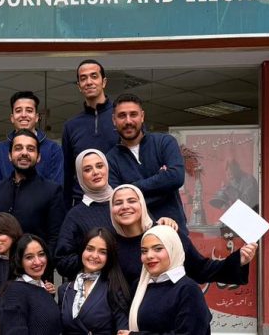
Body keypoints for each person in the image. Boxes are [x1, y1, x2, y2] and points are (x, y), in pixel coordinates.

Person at [55, 150, 177, 279]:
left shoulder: (127, 202)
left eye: (99, 166)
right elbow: (62, 262)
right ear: (80, 176)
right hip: (105, 286)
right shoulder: (75, 215)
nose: (95, 172)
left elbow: (150, 232)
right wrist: (94, 257)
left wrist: (163, 225)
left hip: (142, 279)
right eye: (87, 169)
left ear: (107, 168)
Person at [110, 184, 256, 287]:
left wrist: (238, 260)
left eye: (132, 201)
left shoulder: (166, 233)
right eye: (118, 203)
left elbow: (200, 269)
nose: (125, 207)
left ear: (142, 204)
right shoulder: (110, 244)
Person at [106, 93, 188, 233]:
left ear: (142, 116)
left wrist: (132, 188)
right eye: (122, 116)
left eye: (133, 114)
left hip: (174, 231)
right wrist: (162, 182)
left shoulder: (164, 142)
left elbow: (176, 178)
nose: (128, 121)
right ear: (114, 120)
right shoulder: (110, 160)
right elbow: (118, 199)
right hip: (136, 236)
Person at [0, 129, 65, 259]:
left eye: (30, 149)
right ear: (9, 155)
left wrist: (44, 264)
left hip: (36, 266)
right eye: (18, 148)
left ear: (38, 157)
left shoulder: (52, 191)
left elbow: (55, 237)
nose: (24, 153)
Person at [119, 226, 212, 335]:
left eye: (158, 249)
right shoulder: (141, 286)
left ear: (173, 249)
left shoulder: (188, 289)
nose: (149, 256)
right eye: (144, 251)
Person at [62, 60, 119, 208]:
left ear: (104, 82)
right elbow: (68, 172)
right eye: (83, 78)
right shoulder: (71, 126)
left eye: (94, 76)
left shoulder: (122, 117)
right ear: (79, 86)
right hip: (83, 205)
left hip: (119, 201)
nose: (89, 82)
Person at [58, 227, 130, 335]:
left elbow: (123, 331)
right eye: (90, 249)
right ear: (82, 250)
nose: (95, 256)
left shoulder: (114, 288)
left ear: (109, 257)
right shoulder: (64, 290)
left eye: (102, 252)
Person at [0, 91, 63, 186]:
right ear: (12, 118)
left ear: (37, 117)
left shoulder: (53, 149)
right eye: (18, 111)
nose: (23, 115)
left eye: (29, 111)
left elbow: (57, 187)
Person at [0, 234, 61, 334]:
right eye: (29, 257)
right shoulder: (14, 292)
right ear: (19, 261)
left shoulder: (41, 288)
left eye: (41, 254)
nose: (37, 262)